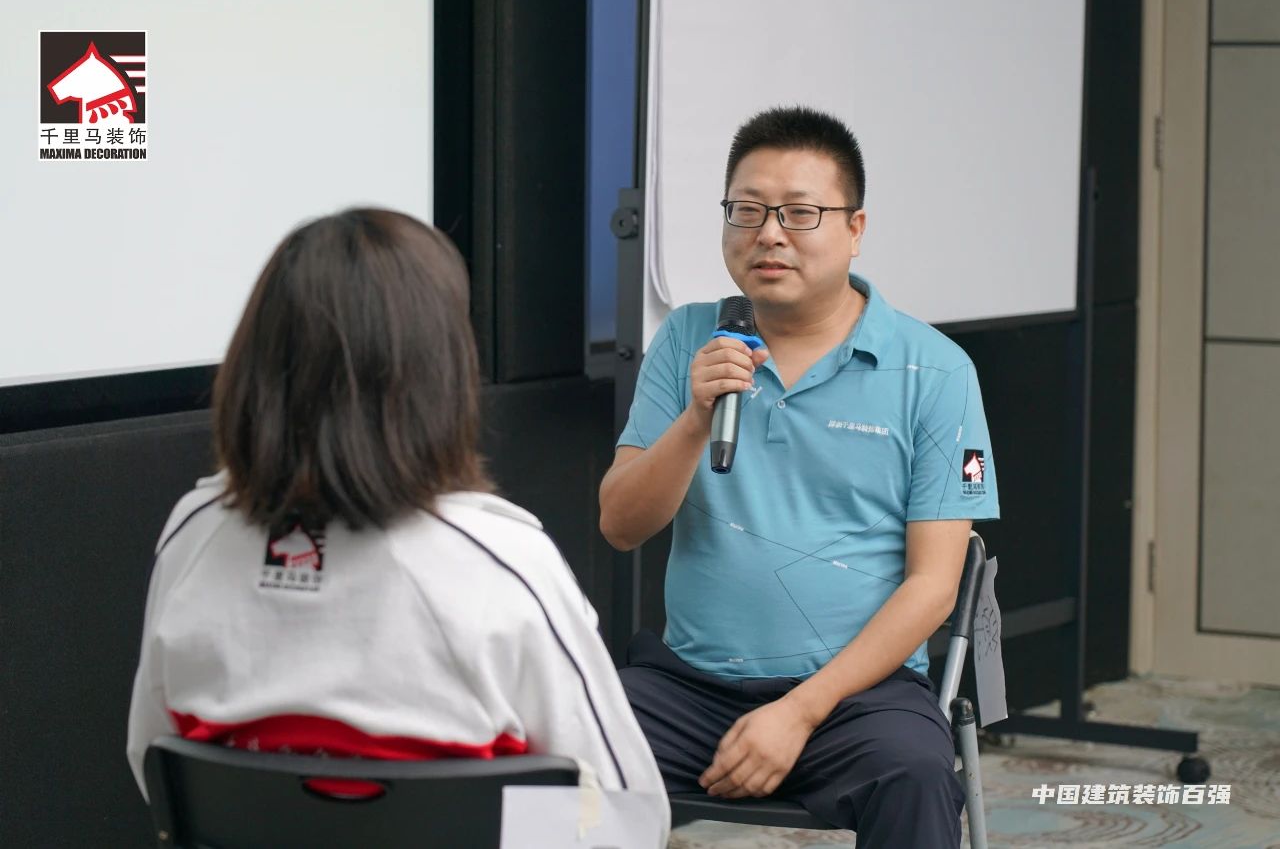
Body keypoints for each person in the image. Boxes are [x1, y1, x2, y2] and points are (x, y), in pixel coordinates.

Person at [127, 209, 668, 840]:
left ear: (255, 364)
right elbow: (629, 817)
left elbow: (154, 764)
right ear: (440, 373)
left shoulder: (194, 534)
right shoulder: (502, 559)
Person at [600, 107, 999, 848]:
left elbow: (933, 587)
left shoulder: (936, 371)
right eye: (747, 210)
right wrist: (695, 418)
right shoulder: (687, 339)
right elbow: (620, 525)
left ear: (855, 228)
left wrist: (800, 711)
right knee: (565, 748)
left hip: (859, 697)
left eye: (800, 212)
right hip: (690, 686)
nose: (769, 233)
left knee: (914, 773)